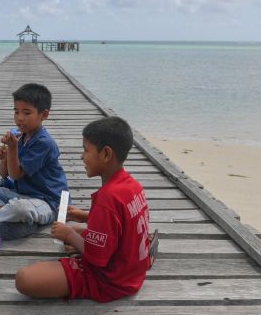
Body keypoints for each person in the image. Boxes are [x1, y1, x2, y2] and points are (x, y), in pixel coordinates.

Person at [14, 116, 157, 302]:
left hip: (110, 280)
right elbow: (120, 222)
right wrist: (84, 217)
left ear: (106, 154)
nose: (82, 156)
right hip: (131, 270)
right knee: (74, 229)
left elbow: (98, 258)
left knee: (25, 279)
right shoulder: (132, 185)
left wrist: (69, 236)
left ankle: (74, 251)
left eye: (86, 150)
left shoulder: (107, 198)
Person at [0, 83, 68, 240]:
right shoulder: (19, 135)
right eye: (16, 112)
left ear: (43, 115)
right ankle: (15, 220)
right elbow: (5, 174)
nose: (20, 118)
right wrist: (5, 157)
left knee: (19, 209)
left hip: (49, 202)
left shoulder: (44, 143)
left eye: (27, 113)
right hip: (20, 194)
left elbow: (16, 175)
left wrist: (12, 148)